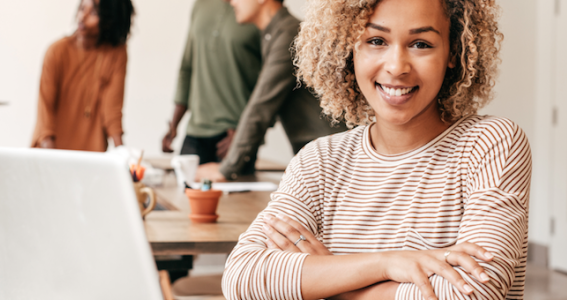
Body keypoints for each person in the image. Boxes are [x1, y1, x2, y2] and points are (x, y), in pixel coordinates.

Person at [222, 0, 531, 299]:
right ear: (348, 48)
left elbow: (474, 291)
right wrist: (388, 263)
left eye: (421, 43)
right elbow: (242, 276)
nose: (397, 67)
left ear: (453, 51)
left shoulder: (491, 143)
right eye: (376, 40)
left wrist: (332, 283)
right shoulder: (319, 161)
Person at [195, 0, 347, 182]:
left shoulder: (289, 35)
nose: (231, 2)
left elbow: (261, 106)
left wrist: (226, 169)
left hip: (333, 159)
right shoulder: (274, 33)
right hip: (320, 156)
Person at [161, 0, 262, 167]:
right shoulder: (200, 5)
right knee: (182, 189)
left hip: (234, 134)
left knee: (236, 193)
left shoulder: (254, 8)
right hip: (196, 129)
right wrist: (173, 127)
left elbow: (272, 85)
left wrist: (247, 136)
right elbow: (187, 67)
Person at [31, 0, 134, 151]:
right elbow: (45, 110)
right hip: (50, 150)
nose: (82, 16)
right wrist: (50, 156)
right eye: (82, 8)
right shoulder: (57, 52)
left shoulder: (116, 53)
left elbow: (112, 109)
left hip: (91, 157)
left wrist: (123, 154)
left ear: (110, 18)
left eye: (93, 12)